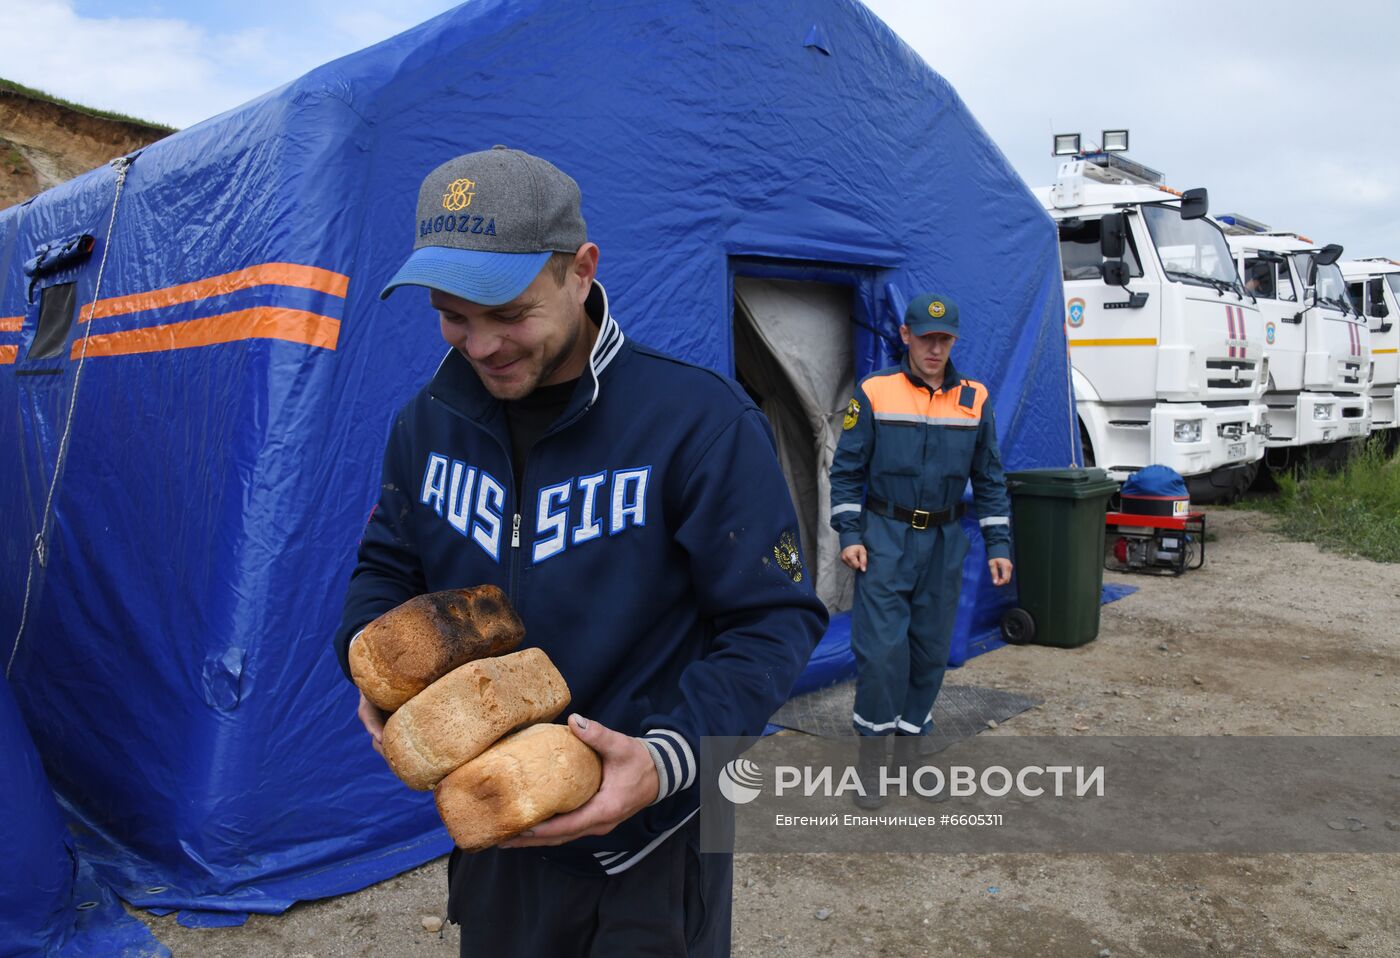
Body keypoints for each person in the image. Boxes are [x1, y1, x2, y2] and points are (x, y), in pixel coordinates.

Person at [333, 146, 827, 956]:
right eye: (453, 316)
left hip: (651, 845)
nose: (481, 346)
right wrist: (369, 661)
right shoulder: (428, 422)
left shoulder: (697, 421)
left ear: (581, 270)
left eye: (510, 312)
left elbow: (772, 622)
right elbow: (388, 566)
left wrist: (667, 760)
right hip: (494, 819)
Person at [828, 293, 1013, 806]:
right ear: (906, 335)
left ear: (953, 341)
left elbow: (991, 478)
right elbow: (845, 472)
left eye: (944, 339)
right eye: (926, 337)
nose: (935, 348)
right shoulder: (875, 392)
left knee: (930, 652)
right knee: (883, 654)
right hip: (885, 539)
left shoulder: (974, 398)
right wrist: (849, 534)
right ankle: (871, 765)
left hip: (945, 543)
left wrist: (999, 544)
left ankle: (910, 759)